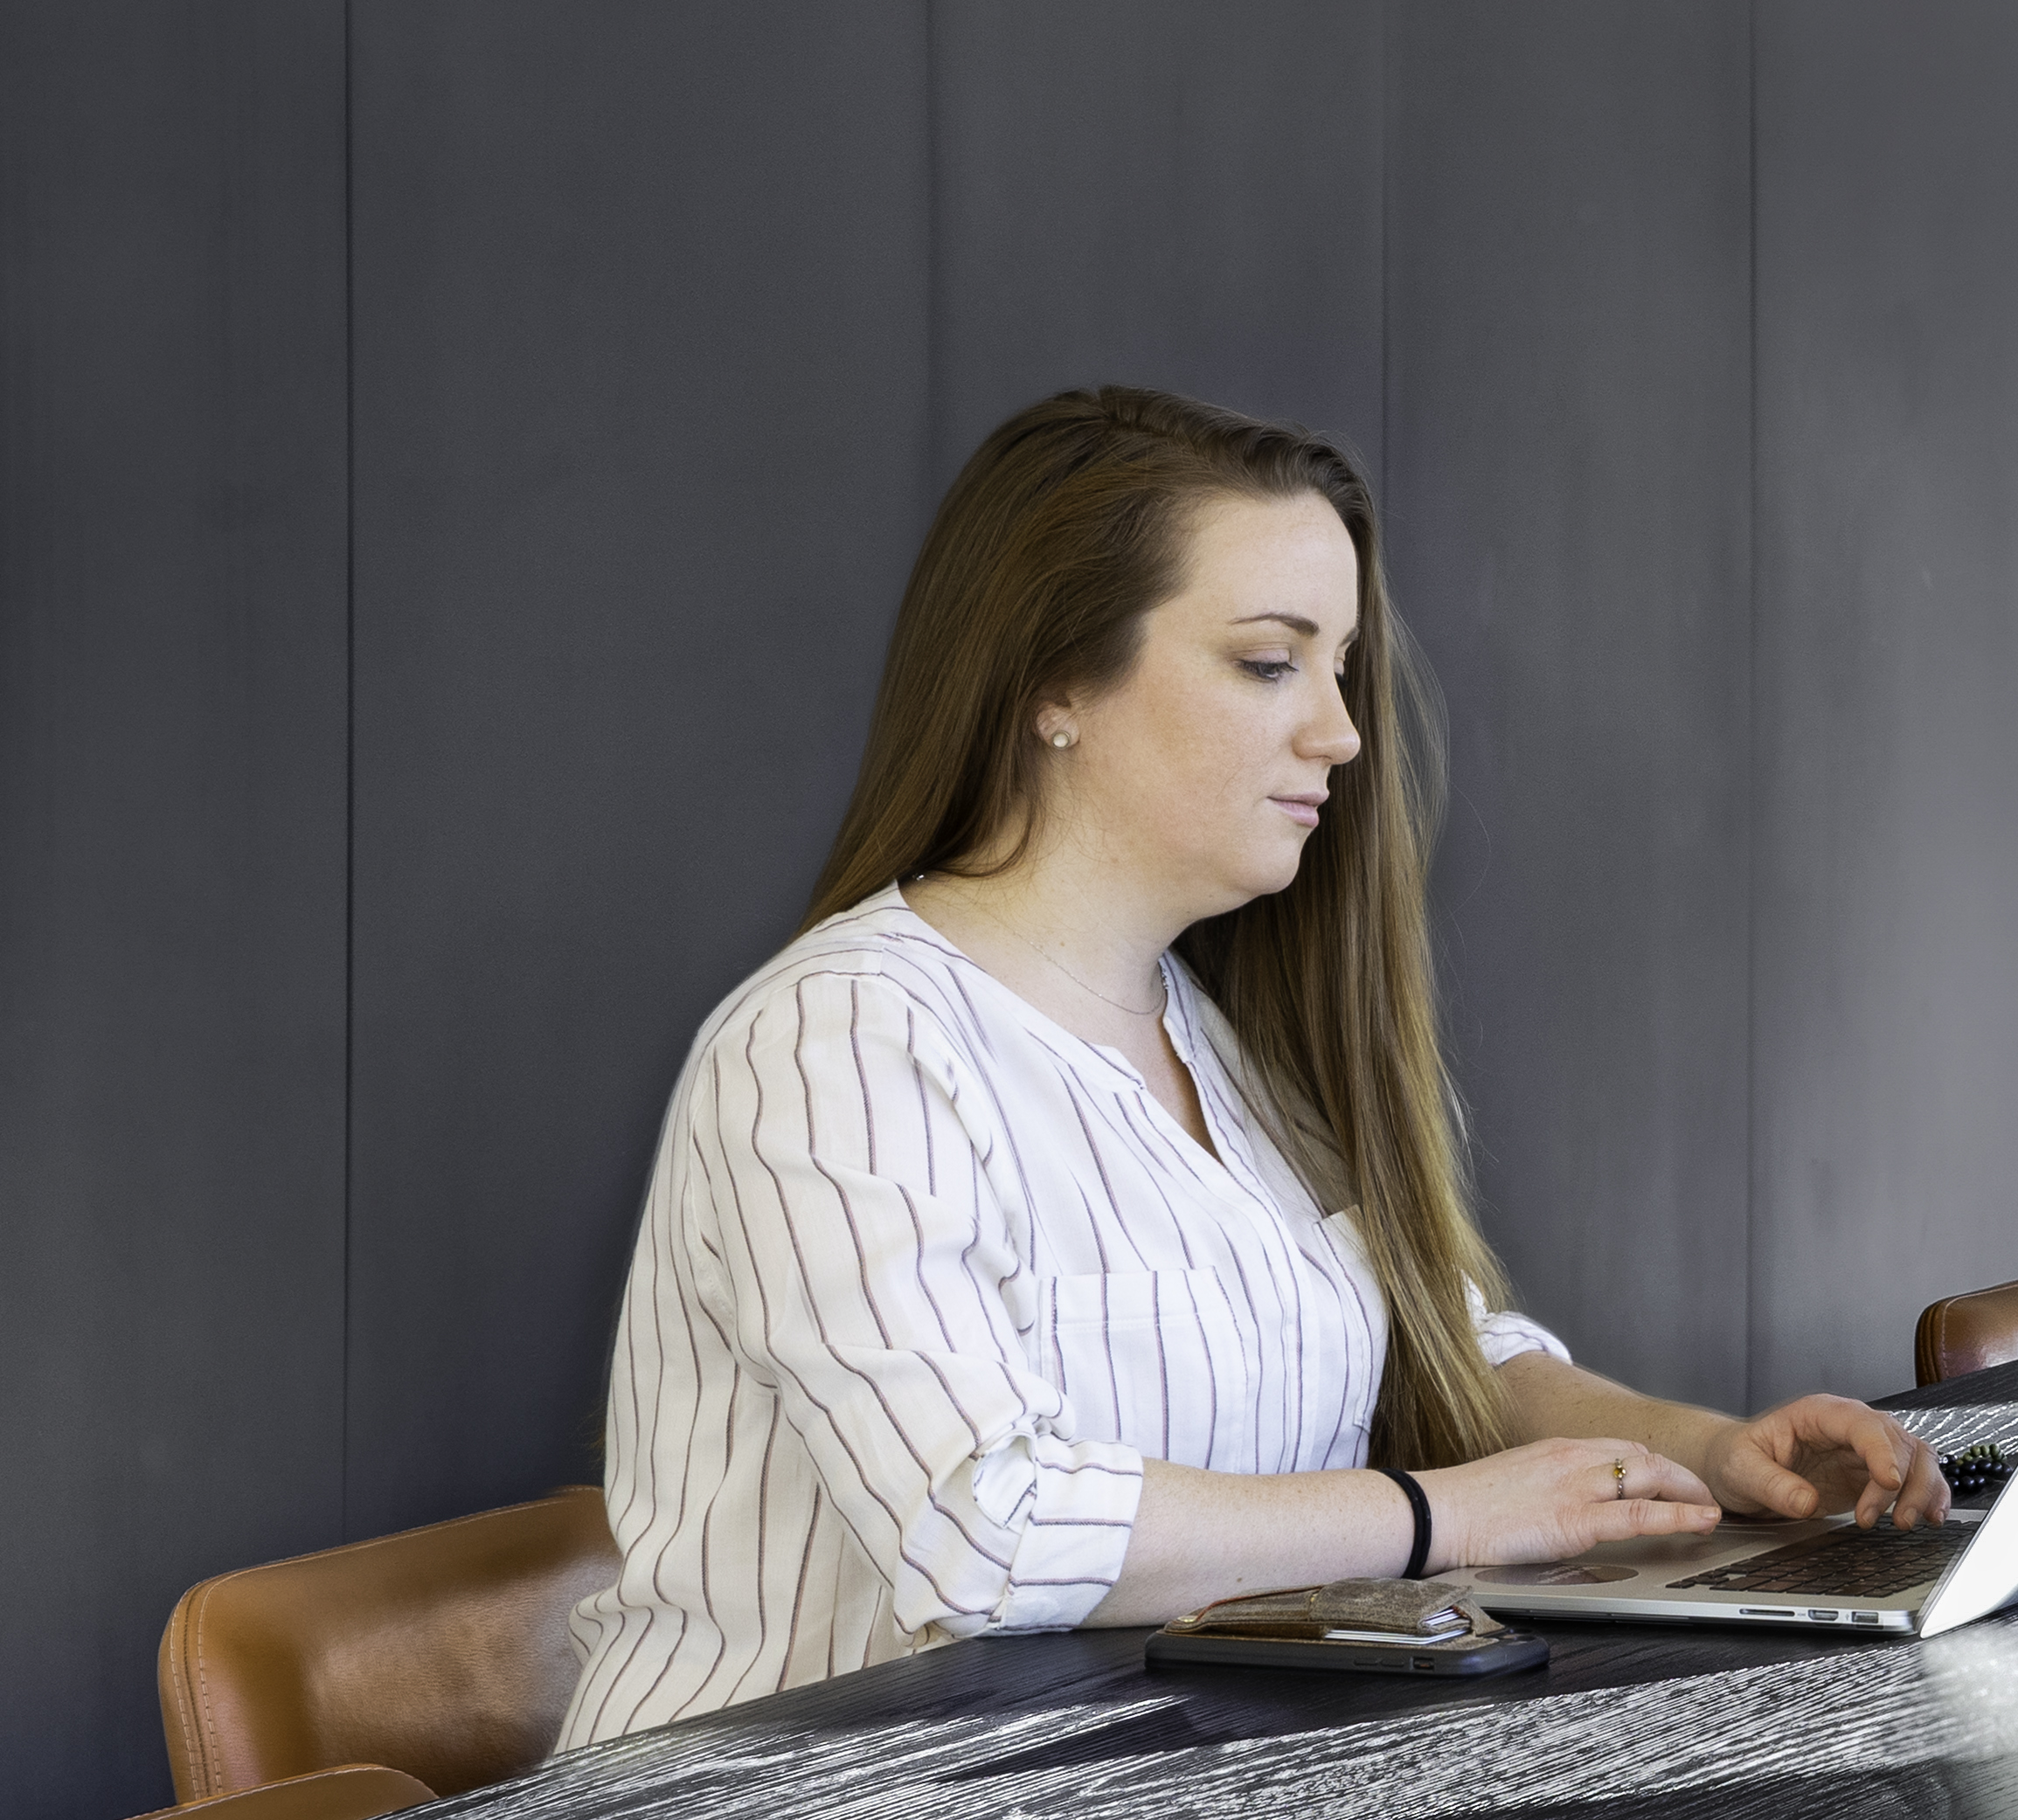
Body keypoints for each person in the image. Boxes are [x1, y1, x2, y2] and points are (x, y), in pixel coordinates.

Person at [559, 386, 1946, 1748]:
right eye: (1270, 661)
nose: (1340, 730)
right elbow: (985, 1527)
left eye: (1339, 666)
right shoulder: (838, 1041)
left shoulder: (1212, 1035)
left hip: (1126, 1811)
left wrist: (1699, 1455)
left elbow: (1435, 1336)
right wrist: (1446, 1515)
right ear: (1053, 683)